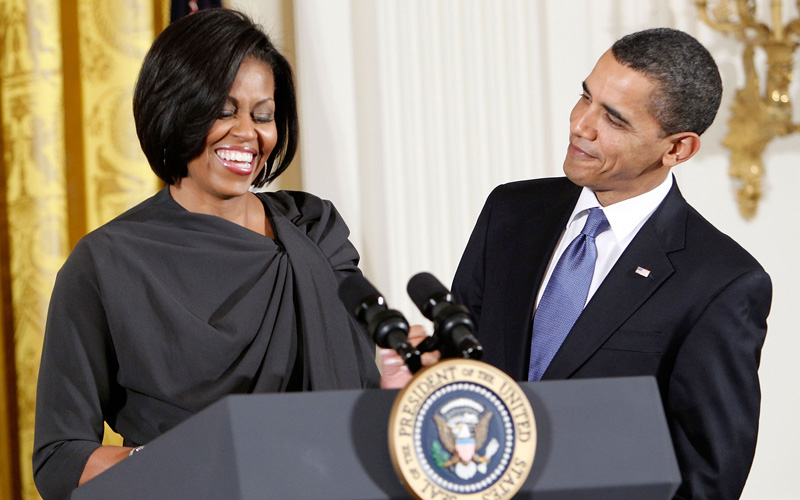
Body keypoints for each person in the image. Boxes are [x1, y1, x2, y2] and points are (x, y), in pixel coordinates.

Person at [33, 9, 384, 500]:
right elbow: (60, 457)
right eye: (224, 111)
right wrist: (198, 459)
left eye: (263, 115)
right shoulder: (106, 263)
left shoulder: (317, 232)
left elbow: (365, 389)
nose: (247, 132)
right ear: (175, 110)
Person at [451, 28, 771, 499]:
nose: (581, 125)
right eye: (585, 97)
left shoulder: (721, 282)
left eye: (614, 120)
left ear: (677, 148)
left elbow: (708, 478)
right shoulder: (510, 211)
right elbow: (458, 368)